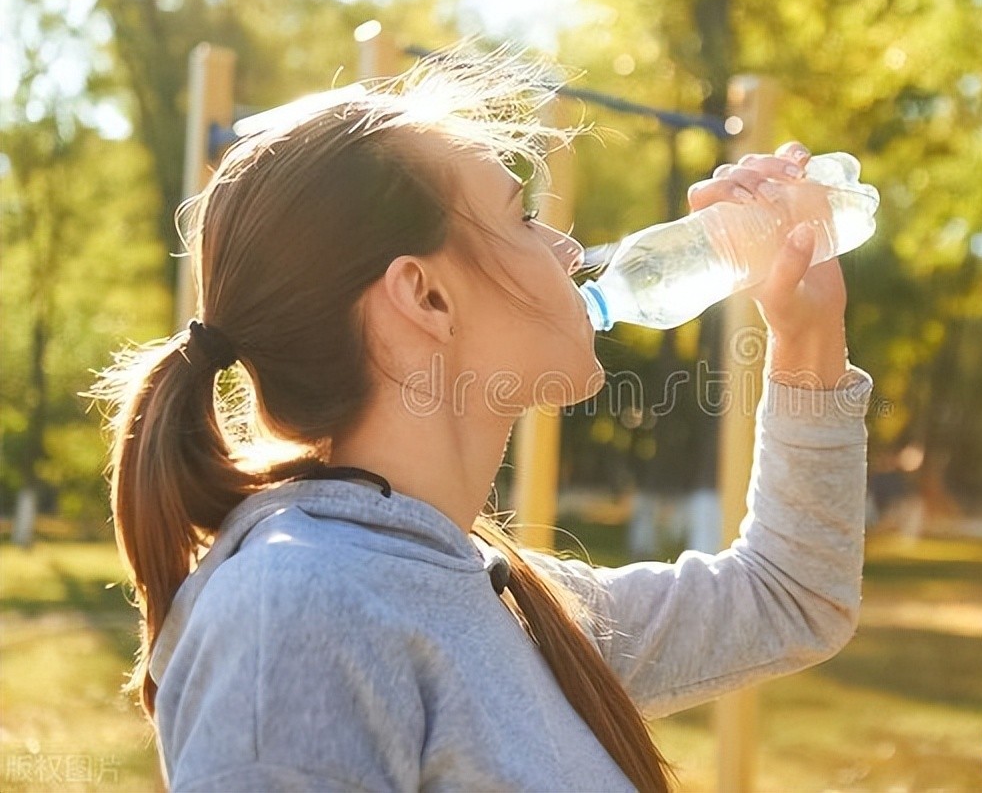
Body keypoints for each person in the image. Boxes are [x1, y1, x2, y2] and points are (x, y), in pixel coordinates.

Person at [94, 45, 873, 792]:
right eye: (523, 217)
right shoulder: (296, 611)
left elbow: (791, 598)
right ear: (425, 296)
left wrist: (806, 332)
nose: (569, 248)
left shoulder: (504, 598)